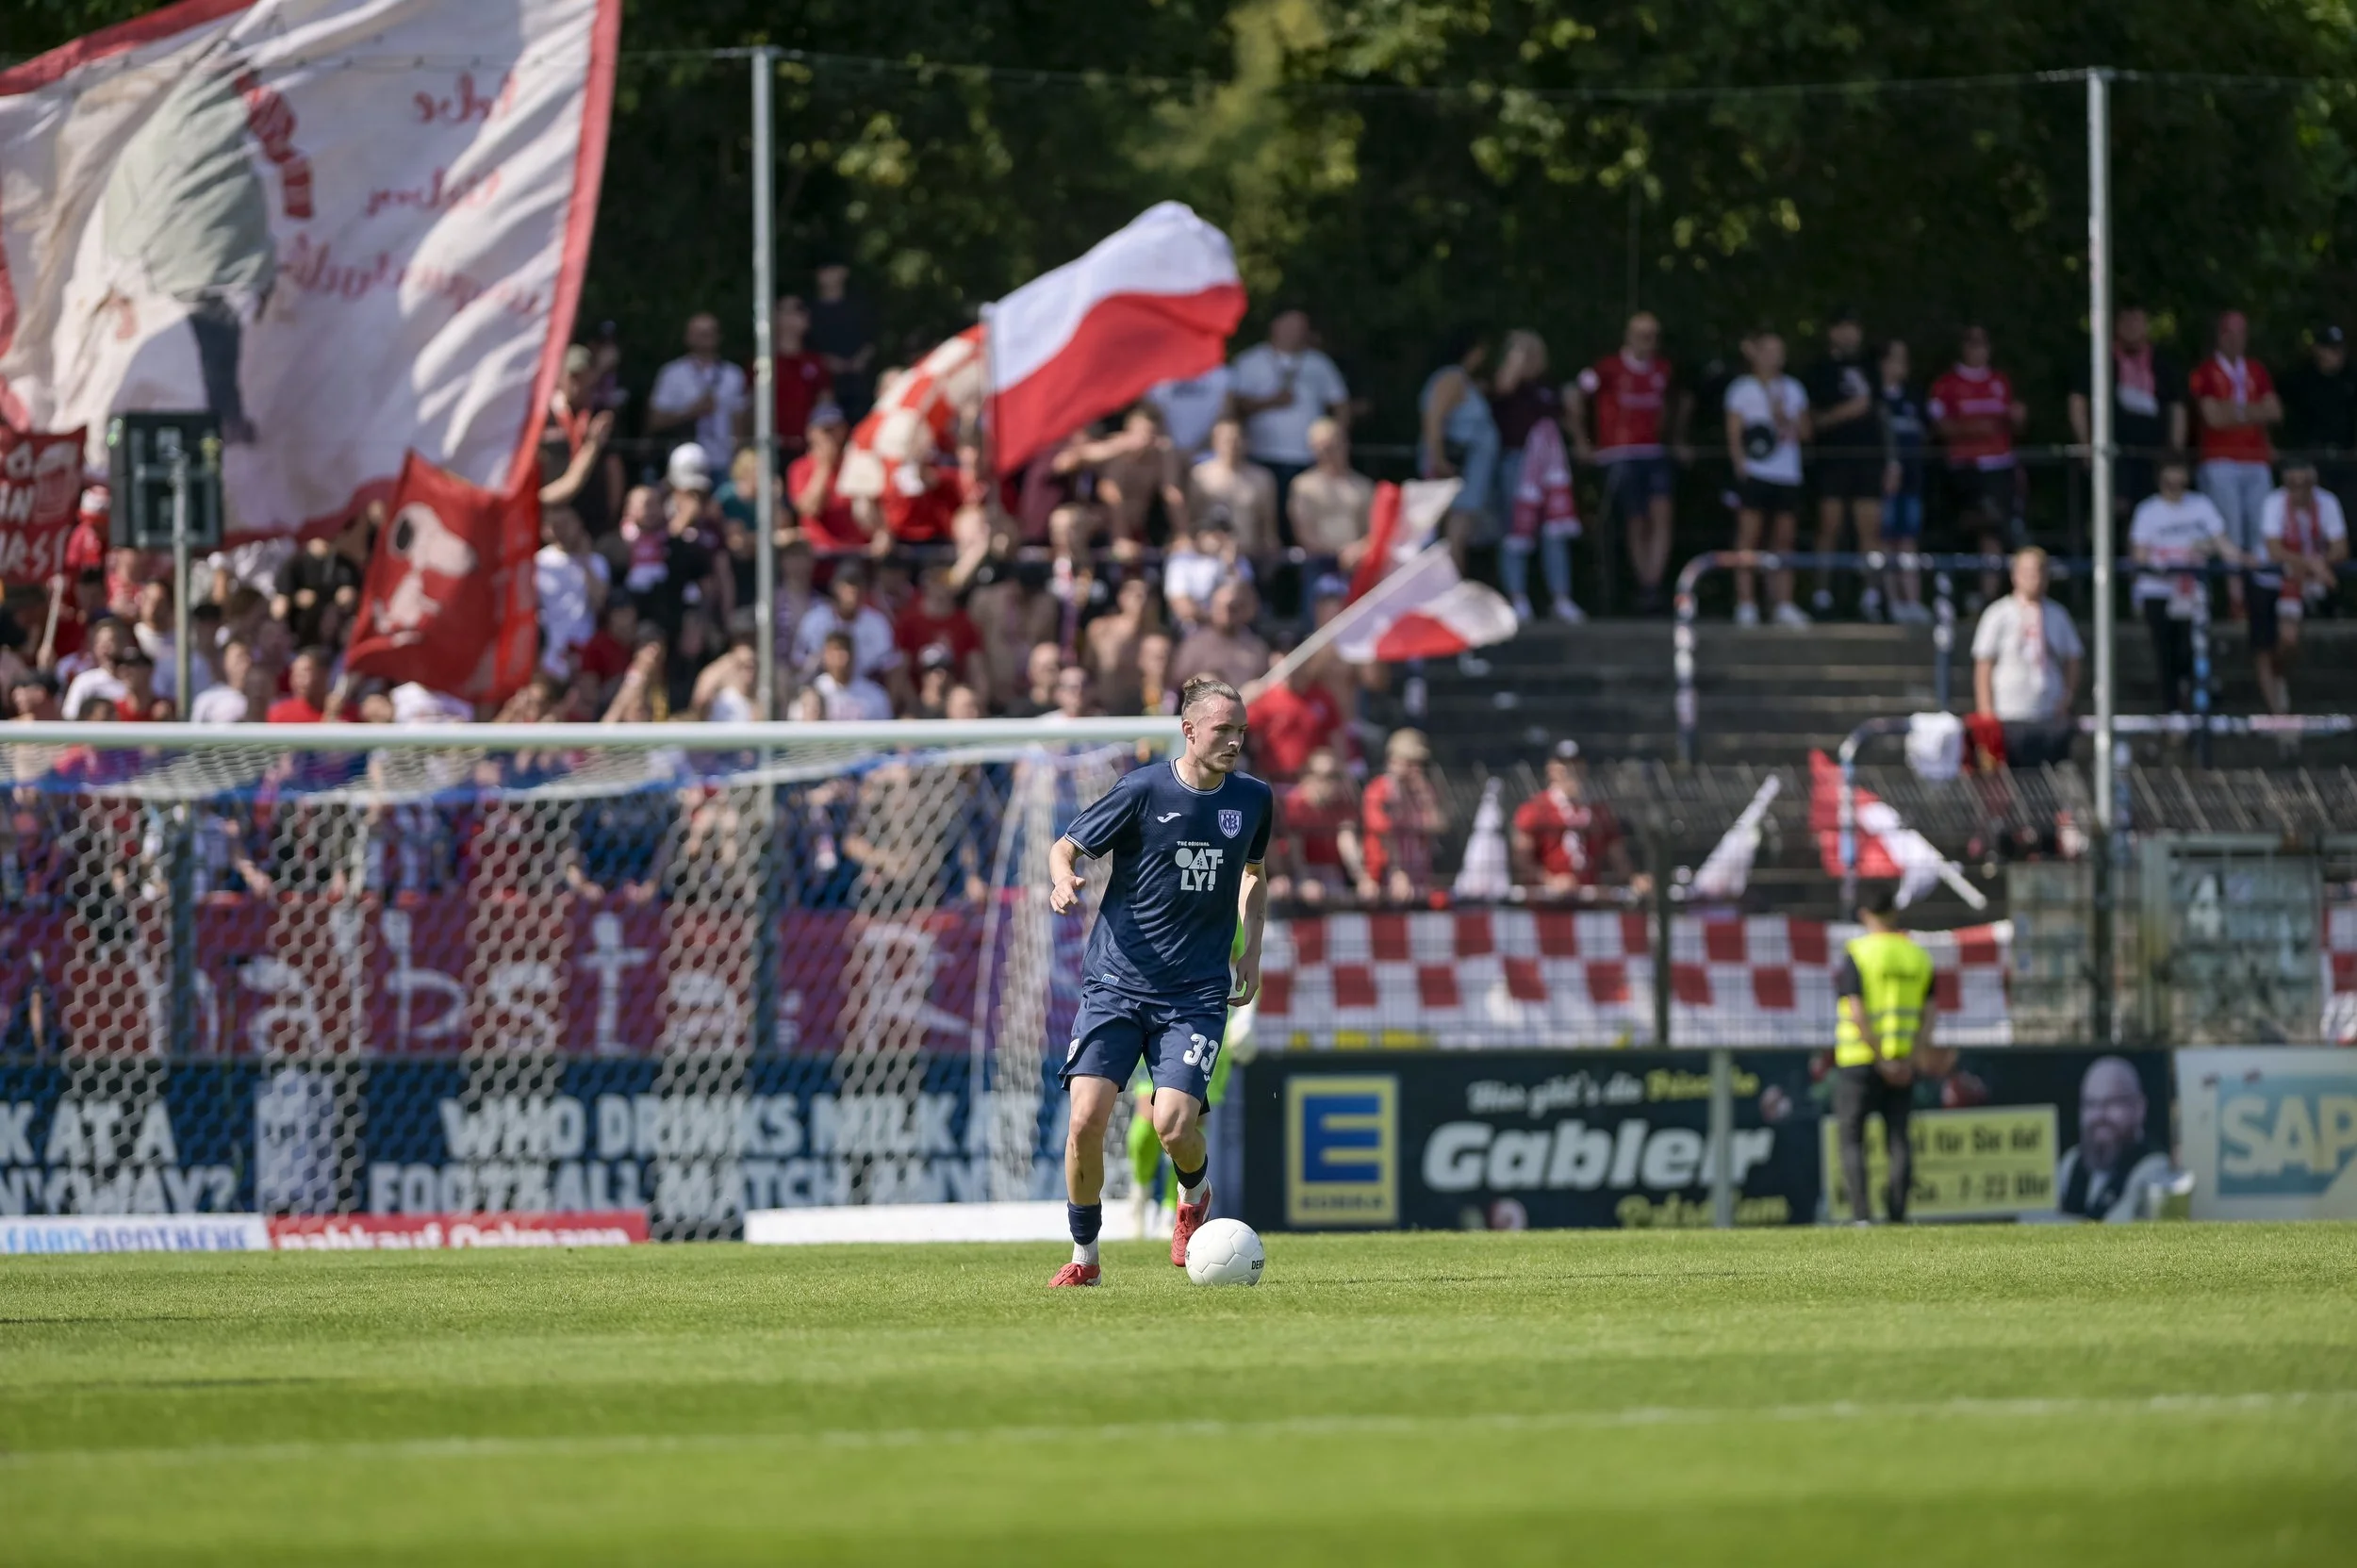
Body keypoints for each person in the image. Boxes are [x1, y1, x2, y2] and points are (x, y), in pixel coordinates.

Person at [1046, 674, 1273, 1286]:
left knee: (1173, 1123)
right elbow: (1064, 847)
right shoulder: (1141, 790)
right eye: (1223, 729)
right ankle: (1086, 1257)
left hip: (1194, 993)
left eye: (1241, 730)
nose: (1234, 741)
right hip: (1116, 985)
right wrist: (1063, 878)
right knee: (1085, 1120)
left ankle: (1193, 1195)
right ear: (1189, 729)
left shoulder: (1252, 799)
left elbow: (1254, 874)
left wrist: (1251, 949)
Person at [1832, 884, 1937, 1225]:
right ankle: (1898, 1215)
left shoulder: (1858, 953)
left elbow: (1857, 1012)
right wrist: (1910, 1058)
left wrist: (1879, 1058)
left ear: (1864, 914)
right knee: (1898, 1139)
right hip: (1904, 1061)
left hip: (1860, 1061)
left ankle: (1862, 1216)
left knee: (1851, 1139)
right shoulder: (1917, 956)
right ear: (1894, 912)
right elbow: (1929, 1014)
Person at [1570, 312, 1686, 614]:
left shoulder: (1663, 369)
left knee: (1663, 513)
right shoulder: (1607, 368)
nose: (1647, 340)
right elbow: (1573, 394)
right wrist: (1583, 441)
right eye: (1641, 334)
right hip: (1618, 454)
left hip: (1653, 452)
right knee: (1637, 519)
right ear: (1628, 336)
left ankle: (1652, 583)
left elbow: (1676, 404)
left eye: (1652, 335)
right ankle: (1644, 583)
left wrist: (1676, 439)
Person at [2130, 457, 2246, 713]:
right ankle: (2171, 711)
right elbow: (2139, 554)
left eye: (2180, 481)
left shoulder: (2201, 505)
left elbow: (2222, 543)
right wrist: (2166, 562)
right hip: (2158, 590)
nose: (2175, 487)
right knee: (2165, 652)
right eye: (2169, 481)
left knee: (2192, 649)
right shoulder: (2147, 511)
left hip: (2192, 591)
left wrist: (2219, 552)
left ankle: (2195, 708)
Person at [2189, 310, 2281, 620]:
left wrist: (2235, 411)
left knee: (2261, 532)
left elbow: (2275, 411)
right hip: (2219, 459)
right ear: (2219, 335)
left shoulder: (2256, 369)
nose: (2236, 339)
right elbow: (2212, 416)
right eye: (2229, 332)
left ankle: (2262, 597)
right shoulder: (2205, 372)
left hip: (2257, 460)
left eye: (2241, 332)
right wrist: (2254, 411)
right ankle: (2235, 598)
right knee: (2229, 534)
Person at [1929, 325, 2028, 603]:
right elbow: (1939, 427)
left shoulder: (2001, 382)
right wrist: (1976, 428)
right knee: (1965, 529)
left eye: (1982, 343)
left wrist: (2018, 420)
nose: (1977, 348)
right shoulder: (1946, 384)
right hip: (1964, 469)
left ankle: (1988, 594)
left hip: (2000, 467)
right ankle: (1955, 594)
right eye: (1971, 343)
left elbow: (2016, 426)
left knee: (1996, 529)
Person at [1723, 329, 1812, 626]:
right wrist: (1740, 468)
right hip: (1756, 472)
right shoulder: (1741, 389)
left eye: (1779, 351)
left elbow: (1806, 432)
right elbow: (1733, 433)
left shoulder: (1793, 389)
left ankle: (1783, 603)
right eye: (1769, 350)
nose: (1775, 357)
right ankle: (1746, 604)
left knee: (1784, 539)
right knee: (1749, 538)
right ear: (1756, 353)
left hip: (1787, 473)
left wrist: (1783, 416)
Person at [1228, 307, 1349, 520]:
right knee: (1268, 514)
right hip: (1262, 454)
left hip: (1309, 456)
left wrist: (1336, 440)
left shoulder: (1319, 363)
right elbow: (1235, 407)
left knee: (1305, 515)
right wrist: (1269, 403)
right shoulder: (1249, 361)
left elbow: (1341, 404)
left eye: (1302, 327)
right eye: (1291, 325)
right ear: (1275, 326)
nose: (1297, 332)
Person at [1803, 310, 1885, 619]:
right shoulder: (1818, 371)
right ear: (1832, 332)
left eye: (1855, 328)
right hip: (1833, 460)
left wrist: (1890, 461)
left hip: (1869, 460)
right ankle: (1821, 593)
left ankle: (1871, 595)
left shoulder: (1870, 368)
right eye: (1844, 328)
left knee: (1870, 530)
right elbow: (1813, 422)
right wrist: (1847, 411)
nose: (1851, 335)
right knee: (1829, 527)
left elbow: (1881, 416)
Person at [2069, 304, 2186, 518]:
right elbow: (2078, 400)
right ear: (2116, 325)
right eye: (2126, 321)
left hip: (2153, 455)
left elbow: (2177, 406)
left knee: (2152, 511)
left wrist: (2175, 450)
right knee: (2114, 513)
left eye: (2137, 321)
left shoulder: (2163, 363)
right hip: (2112, 454)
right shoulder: (2099, 359)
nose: (2132, 327)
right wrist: (2085, 445)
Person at [2252, 455, 2349, 715]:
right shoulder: (2274, 503)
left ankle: (2281, 676)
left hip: (2303, 579)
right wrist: (2314, 564)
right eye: (2291, 485)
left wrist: (2318, 563)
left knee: (2289, 639)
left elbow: (2341, 547)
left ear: (2312, 483)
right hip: (2273, 579)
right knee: (2267, 644)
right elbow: (2274, 549)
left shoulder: (2327, 502)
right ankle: (2276, 704)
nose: (2297, 491)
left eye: (2303, 485)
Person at [1970, 548, 2084, 767]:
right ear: (2015, 575)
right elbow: (1983, 664)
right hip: (2009, 715)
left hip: (2049, 716)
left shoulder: (2058, 615)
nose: (2035, 577)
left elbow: (2074, 658)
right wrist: (1986, 715)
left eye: (2040, 571)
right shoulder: (1998, 614)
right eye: (2028, 571)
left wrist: (2067, 698)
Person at [2055, 1055, 2175, 1223]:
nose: (2099, 1115)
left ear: (2139, 1108)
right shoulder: (2072, 1161)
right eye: (2090, 1104)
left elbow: (2118, 1230)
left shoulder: (2154, 1166)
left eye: (2112, 1103)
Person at [1510, 741, 1634, 897]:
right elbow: (1521, 858)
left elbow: (1618, 856)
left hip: (1589, 898)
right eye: (1564, 765)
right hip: (1547, 901)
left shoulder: (1598, 811)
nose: (1570, 770)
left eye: (1576, 764)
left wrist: (1631, 879)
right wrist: (1550, 880)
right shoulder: (1536, 808)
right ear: (1551, 769)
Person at [1419, 328, 1500, 560]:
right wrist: (1438, 459)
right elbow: (1434, 418)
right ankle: (1450, 586)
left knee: (1459, 528)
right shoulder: (1452, 377)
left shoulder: (1463, 379)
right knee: (1454, 528)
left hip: (1467, 468)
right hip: (1458, 466)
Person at [647, 312, 748, 473]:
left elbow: (740, 422)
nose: (705, 336)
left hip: (724, 462)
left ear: (719, 336)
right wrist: (690, 412)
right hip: (684, 463)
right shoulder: (672, 374)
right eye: (699, 332)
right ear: (688, 337)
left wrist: (738, 458)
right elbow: (655, 421)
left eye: (710, 331)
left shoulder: (733, 375)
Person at [1874, 339, 1932, 623]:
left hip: (1912, 479)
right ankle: (1892, 601)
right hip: (1882, 481)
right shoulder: (1874, 399)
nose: (1902, 366)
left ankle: (1913, 600)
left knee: (1908, 539)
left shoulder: (1914, 398)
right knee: (1884, 538)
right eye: (1896, 359)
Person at [1360, 727, 1443, 903]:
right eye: (1410, 763)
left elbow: (1438, 825)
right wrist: (1397, 872)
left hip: (1418, 875)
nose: (1416, 770)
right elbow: (1383, 833)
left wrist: (1425, 798)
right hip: (1383, 878)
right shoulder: (1379, 790)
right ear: (1393, 761)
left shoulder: (1422, 790)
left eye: (1419, 764)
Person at [2278, 324, 2357, 501]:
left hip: (2347, 459)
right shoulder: (2300, 379)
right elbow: (2279, 413)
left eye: (2340, 348)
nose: (2337, 354)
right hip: (2311, 460)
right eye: (2331, 348)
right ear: (2317, 349)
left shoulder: (2352, 376)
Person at [769, 293, 832, 462]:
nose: (794, 317)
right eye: (787, 311)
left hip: (807, 451)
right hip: (770, 449)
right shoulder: (763, 362)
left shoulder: (815, 362)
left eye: (799, 311)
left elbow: (825, 404)